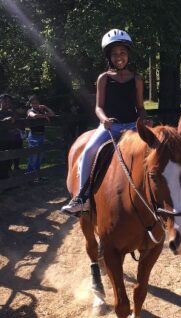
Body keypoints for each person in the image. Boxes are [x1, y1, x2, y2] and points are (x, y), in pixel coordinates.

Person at [61, 28, 151, 215]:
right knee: (88, 152)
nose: (119, 57)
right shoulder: (103, 78)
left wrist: (144, 118)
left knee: (156, 150)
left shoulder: (137, 79)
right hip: (111, 125)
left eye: (123, 52)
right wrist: (104, 120)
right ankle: (81, 198)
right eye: (115, 53)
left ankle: (154, 195)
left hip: (132, 126)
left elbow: (140, 106)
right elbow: (98, 107)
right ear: (109, 57)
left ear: (128, 55)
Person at [26, 95, 55, 182]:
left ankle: (37, 176)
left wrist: (45, 107)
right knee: (33, 158)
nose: (35, 104)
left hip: (41, 136)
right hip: (33, 137)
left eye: (37, 103)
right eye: (33, 103)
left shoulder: (41, 110)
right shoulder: (29, 110)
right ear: (31, 104)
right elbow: (33, 116)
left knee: (39, 157)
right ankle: (30, 177)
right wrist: (44, 116)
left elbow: (52, 114)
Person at [0, 94, 15, 179]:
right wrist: (3, 121)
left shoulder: (10, 112)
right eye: (5, 101)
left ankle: (7, 183)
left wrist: (13, 118)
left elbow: (16, 116)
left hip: (8, 140)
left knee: (8, 161)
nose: (7, 103)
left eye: (8, 101)